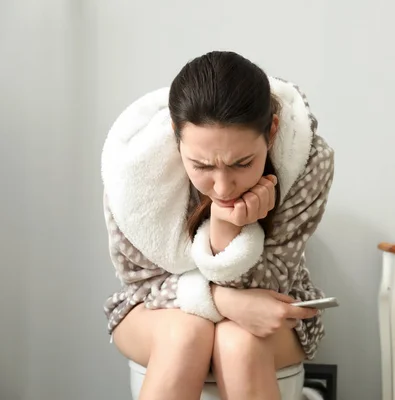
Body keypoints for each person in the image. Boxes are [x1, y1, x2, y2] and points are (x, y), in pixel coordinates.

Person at [100, 50, 335, 400]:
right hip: (154, 305)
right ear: (175, 136)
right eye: (201, 165)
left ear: (272, 131)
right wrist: (224, 302)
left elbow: (270, 281)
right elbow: (142, 281)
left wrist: (226, 229)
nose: (223, 187)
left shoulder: (308, 162)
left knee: (239, 343)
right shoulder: (134, 175)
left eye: (243, 163)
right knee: (185, 335)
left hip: (272, 302)